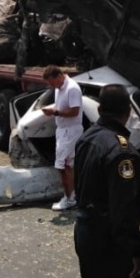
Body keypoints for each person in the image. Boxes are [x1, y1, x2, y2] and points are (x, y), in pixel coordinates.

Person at [73, 84, 140, 278]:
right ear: (128, 111)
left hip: (85, 231)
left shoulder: (87, 138)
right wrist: (137, 252)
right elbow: (123, 211)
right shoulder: (122, 152)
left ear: (99, 108)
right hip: (109, 241)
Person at [41, 65, 83, 211]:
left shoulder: (72, 88)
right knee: (67, 165)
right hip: (62, 130)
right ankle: (72, 195)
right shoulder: (59, 87)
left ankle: (70, 198)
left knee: (63, 165)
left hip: (70, 131)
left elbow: (74, 111)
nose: (52, 86)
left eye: (52, 83)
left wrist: (56, 112)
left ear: (59, 76)